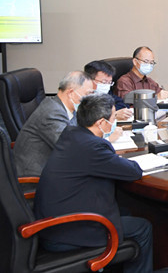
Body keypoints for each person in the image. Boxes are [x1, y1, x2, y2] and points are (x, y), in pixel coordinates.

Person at [34, 93, 152, 272]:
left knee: (126, 211)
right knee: (143, 227)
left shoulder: (72, 134)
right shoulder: (93, 147)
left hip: (52, 223)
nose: (114, 122)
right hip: (67, 232)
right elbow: (133, 171)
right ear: (101, 123)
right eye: (113, 118)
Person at [13, 71, 95, 177]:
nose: (90, 99)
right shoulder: (52, 113)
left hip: (56, 166)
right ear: (71, 93)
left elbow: (80, 133)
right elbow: (71, 148)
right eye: (88, 94)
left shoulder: (67, 107)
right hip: (35, 177)